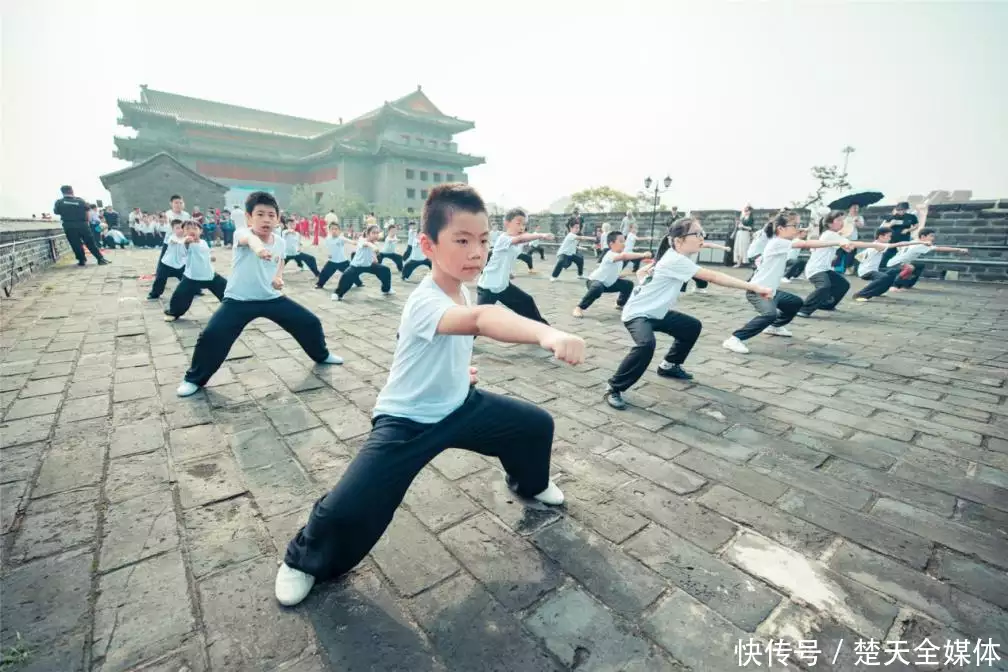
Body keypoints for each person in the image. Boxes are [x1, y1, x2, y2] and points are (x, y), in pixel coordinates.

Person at [275, 183, 585, 607]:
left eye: (482, 240)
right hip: (408, 420)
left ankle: (530, 484)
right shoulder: (424, 299)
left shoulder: (464, 285)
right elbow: (481, 319)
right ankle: (302, 561)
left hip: (460, 405)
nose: (476, 252)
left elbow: (454, 332)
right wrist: (548, 333)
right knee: (346, 509)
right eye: (461, 240)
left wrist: (458, 372)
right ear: (428, 244)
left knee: (534, 426)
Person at [176, 192, 343, 397]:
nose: (266, 219)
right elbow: (251, 241)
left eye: (271, 215)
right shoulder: (241, 233)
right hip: (239, 300)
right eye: (260, 214)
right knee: (212, 336)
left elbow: (279, 260)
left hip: (270, 297)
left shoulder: (280, 241)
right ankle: (193, 379)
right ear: (249, 217)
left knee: (310, 322)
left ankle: (322, 354)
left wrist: (278, 277)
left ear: (277, 218)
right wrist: (259, 249)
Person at [603, 217, 771, 410]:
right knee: (646, 345)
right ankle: (613, 387)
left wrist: (644, 278)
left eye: (702, 233)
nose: (702, 237)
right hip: (638, 314)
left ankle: (669, 365)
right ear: (678, 240)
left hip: (656, 312)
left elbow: (642, 272)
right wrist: (754, 287)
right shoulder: (675, 259)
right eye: (697, 234)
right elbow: (714, 276)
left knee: (691, 327)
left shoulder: (673, 256)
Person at [722, 212, 852, 354]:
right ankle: (735, 339)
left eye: (798, 225)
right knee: (769, 314)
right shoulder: (778, 242)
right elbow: (805, 244)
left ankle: (774, 327)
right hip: (758, 291)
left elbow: (803, 241)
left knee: (795, 303)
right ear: (781, 228)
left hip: (772, 291)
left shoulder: (782, 242)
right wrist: (837, 241)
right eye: (794, 225)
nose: (797, 228)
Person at [476, 208, 553, 324]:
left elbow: (509, 256)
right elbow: (520, 238)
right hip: (488, 287)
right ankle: (461, 341)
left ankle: (544, 329)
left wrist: (508, 273)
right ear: (507, 223)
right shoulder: (503, 238)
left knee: (526, 301)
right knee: (478, 322)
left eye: (524, 224)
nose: (522, 227)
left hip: (503, 286)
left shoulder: (517, 242)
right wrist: (541, 235)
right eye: (518, 223)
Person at [573, 231, 651, 318]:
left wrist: (618, 275)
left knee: (628, 284)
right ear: (611, 243)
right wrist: (643, 254)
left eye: (624, 241)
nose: (624, 244)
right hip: (594, 281)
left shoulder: (619, 255)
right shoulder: (610, 254)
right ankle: (579, 308)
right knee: (597, 288)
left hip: (608, 284)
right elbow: (624, 256)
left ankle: (620, 304)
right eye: (621, 241)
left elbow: (614, 268)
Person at [164, 220, 227, 320]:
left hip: (209, 274)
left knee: (225, 288)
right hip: (192, 277)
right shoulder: (185, 243)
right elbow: (183, 251)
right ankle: (174, 312)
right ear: (183, 232)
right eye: (187, 229)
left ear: (200, 231)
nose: (191, 231)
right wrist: (186, 243)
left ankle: (232, 308)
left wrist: (210, 257)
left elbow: (204, 253)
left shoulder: (204, 242)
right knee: (180, 295)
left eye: (194, 228)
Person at [884, 228, 969, 292]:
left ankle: (906, 285)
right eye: (931, 236)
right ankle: (894, 285)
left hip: (895, 263)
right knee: (910, 268)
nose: (933, 238)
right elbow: (939, 248)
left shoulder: (915, 241)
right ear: (923, 237)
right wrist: (958, 249)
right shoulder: (921, 245)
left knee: (919, 266)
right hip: (895, 264)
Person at [850, 227, 922, 301]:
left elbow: (858, 257)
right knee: (884, 277)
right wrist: (921, 242)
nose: (890, 238)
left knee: (892, 272)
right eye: (888, 236)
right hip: (866, 272)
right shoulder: (879, 245)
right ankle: (860, 294)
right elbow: (900, 244)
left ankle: (878, 292)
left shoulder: (874, 244)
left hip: (872, 270)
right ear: (881, 236)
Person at [332, 224, 394, 300]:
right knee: (346, 277)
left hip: (369, 265)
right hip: (356, 266)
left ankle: (386, 289)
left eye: (377, 233)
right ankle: (337, 294)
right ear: (368, 234)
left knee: (385, 270)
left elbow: (371, 252)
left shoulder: (375, 243)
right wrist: (373, 246)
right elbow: (367, 244)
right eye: (373, 233)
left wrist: (375, 257)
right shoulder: (362, 240)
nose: (376, 235)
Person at [53, 186, 109, 266]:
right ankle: (100, 259)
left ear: (62, 192)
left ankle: (82, 260)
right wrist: (87, 222)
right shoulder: (80, 200)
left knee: (75, 243)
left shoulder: (59, 202)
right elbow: (87, 211)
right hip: (82, 225)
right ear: (72, 191)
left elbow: (56, 212)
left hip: (69, 225)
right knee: (90, 242)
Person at [315, 221, 362, 290]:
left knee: (352, 273)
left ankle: (359, 283)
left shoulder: (341, 238)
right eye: (332, 229)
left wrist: (358, 242)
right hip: (332, 261)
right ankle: (319, 284)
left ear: (339, 230)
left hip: (343, 261)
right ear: (329, 230)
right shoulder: (328, 239)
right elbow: (327, 248)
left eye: (336, 229)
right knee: (324, 273)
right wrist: (328, 254)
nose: (334, 231)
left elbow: (352, 242)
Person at [148, 220, 187, 299]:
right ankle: (155, 293)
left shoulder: (187, 238)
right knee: (160, 279)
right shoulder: (171, 237)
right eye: (177, 228)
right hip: (167, 263)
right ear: (173, 230)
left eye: (182, 228)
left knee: (187, 279)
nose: (180, 230)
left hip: (180, 264)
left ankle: (194, 291)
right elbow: (174, 241)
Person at [878, 202, 920, 270]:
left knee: (902, 255)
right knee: (888, 254)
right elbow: (882, 227)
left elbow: (916, 225)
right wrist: (891, 224)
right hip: (892, 239)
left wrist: (908, 229)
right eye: (899, 210)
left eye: (903, 210)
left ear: (906, 209)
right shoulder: (892, 217)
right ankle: (882, 268)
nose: (901, 211)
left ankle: (898, 269)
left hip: (904, 239)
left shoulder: (911, 217)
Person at [834, 204, 865, 274]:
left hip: (853, 238)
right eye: (854, 208)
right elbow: (838, 226)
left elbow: (861, 226)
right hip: (842, 237)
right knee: (839, 253)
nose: (856, 210)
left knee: (850, 254)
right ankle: (837, 268)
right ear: (849, 208)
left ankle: (848, 269)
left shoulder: (859, 217)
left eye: (857, 208)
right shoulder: (844, 217)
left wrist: (857, 221)